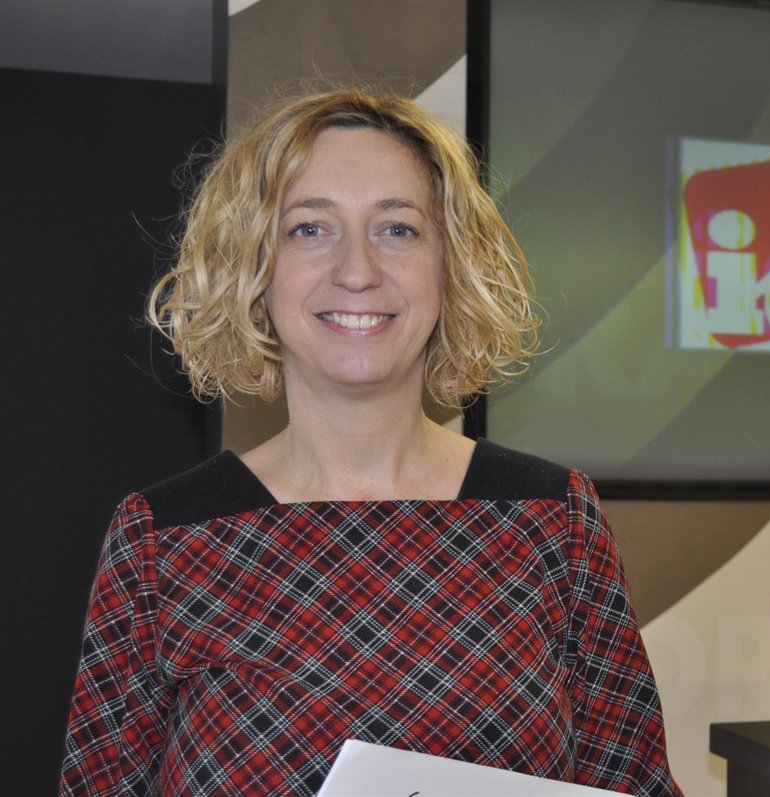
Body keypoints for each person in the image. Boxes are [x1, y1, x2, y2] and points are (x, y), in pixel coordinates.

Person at [59, 87, 682, 797]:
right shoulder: (161, 540)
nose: (357, 271)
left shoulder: (554, 520)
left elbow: (634, 781)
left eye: (397, 229)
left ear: (450, 268)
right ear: (253, 272)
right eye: (309, 228)